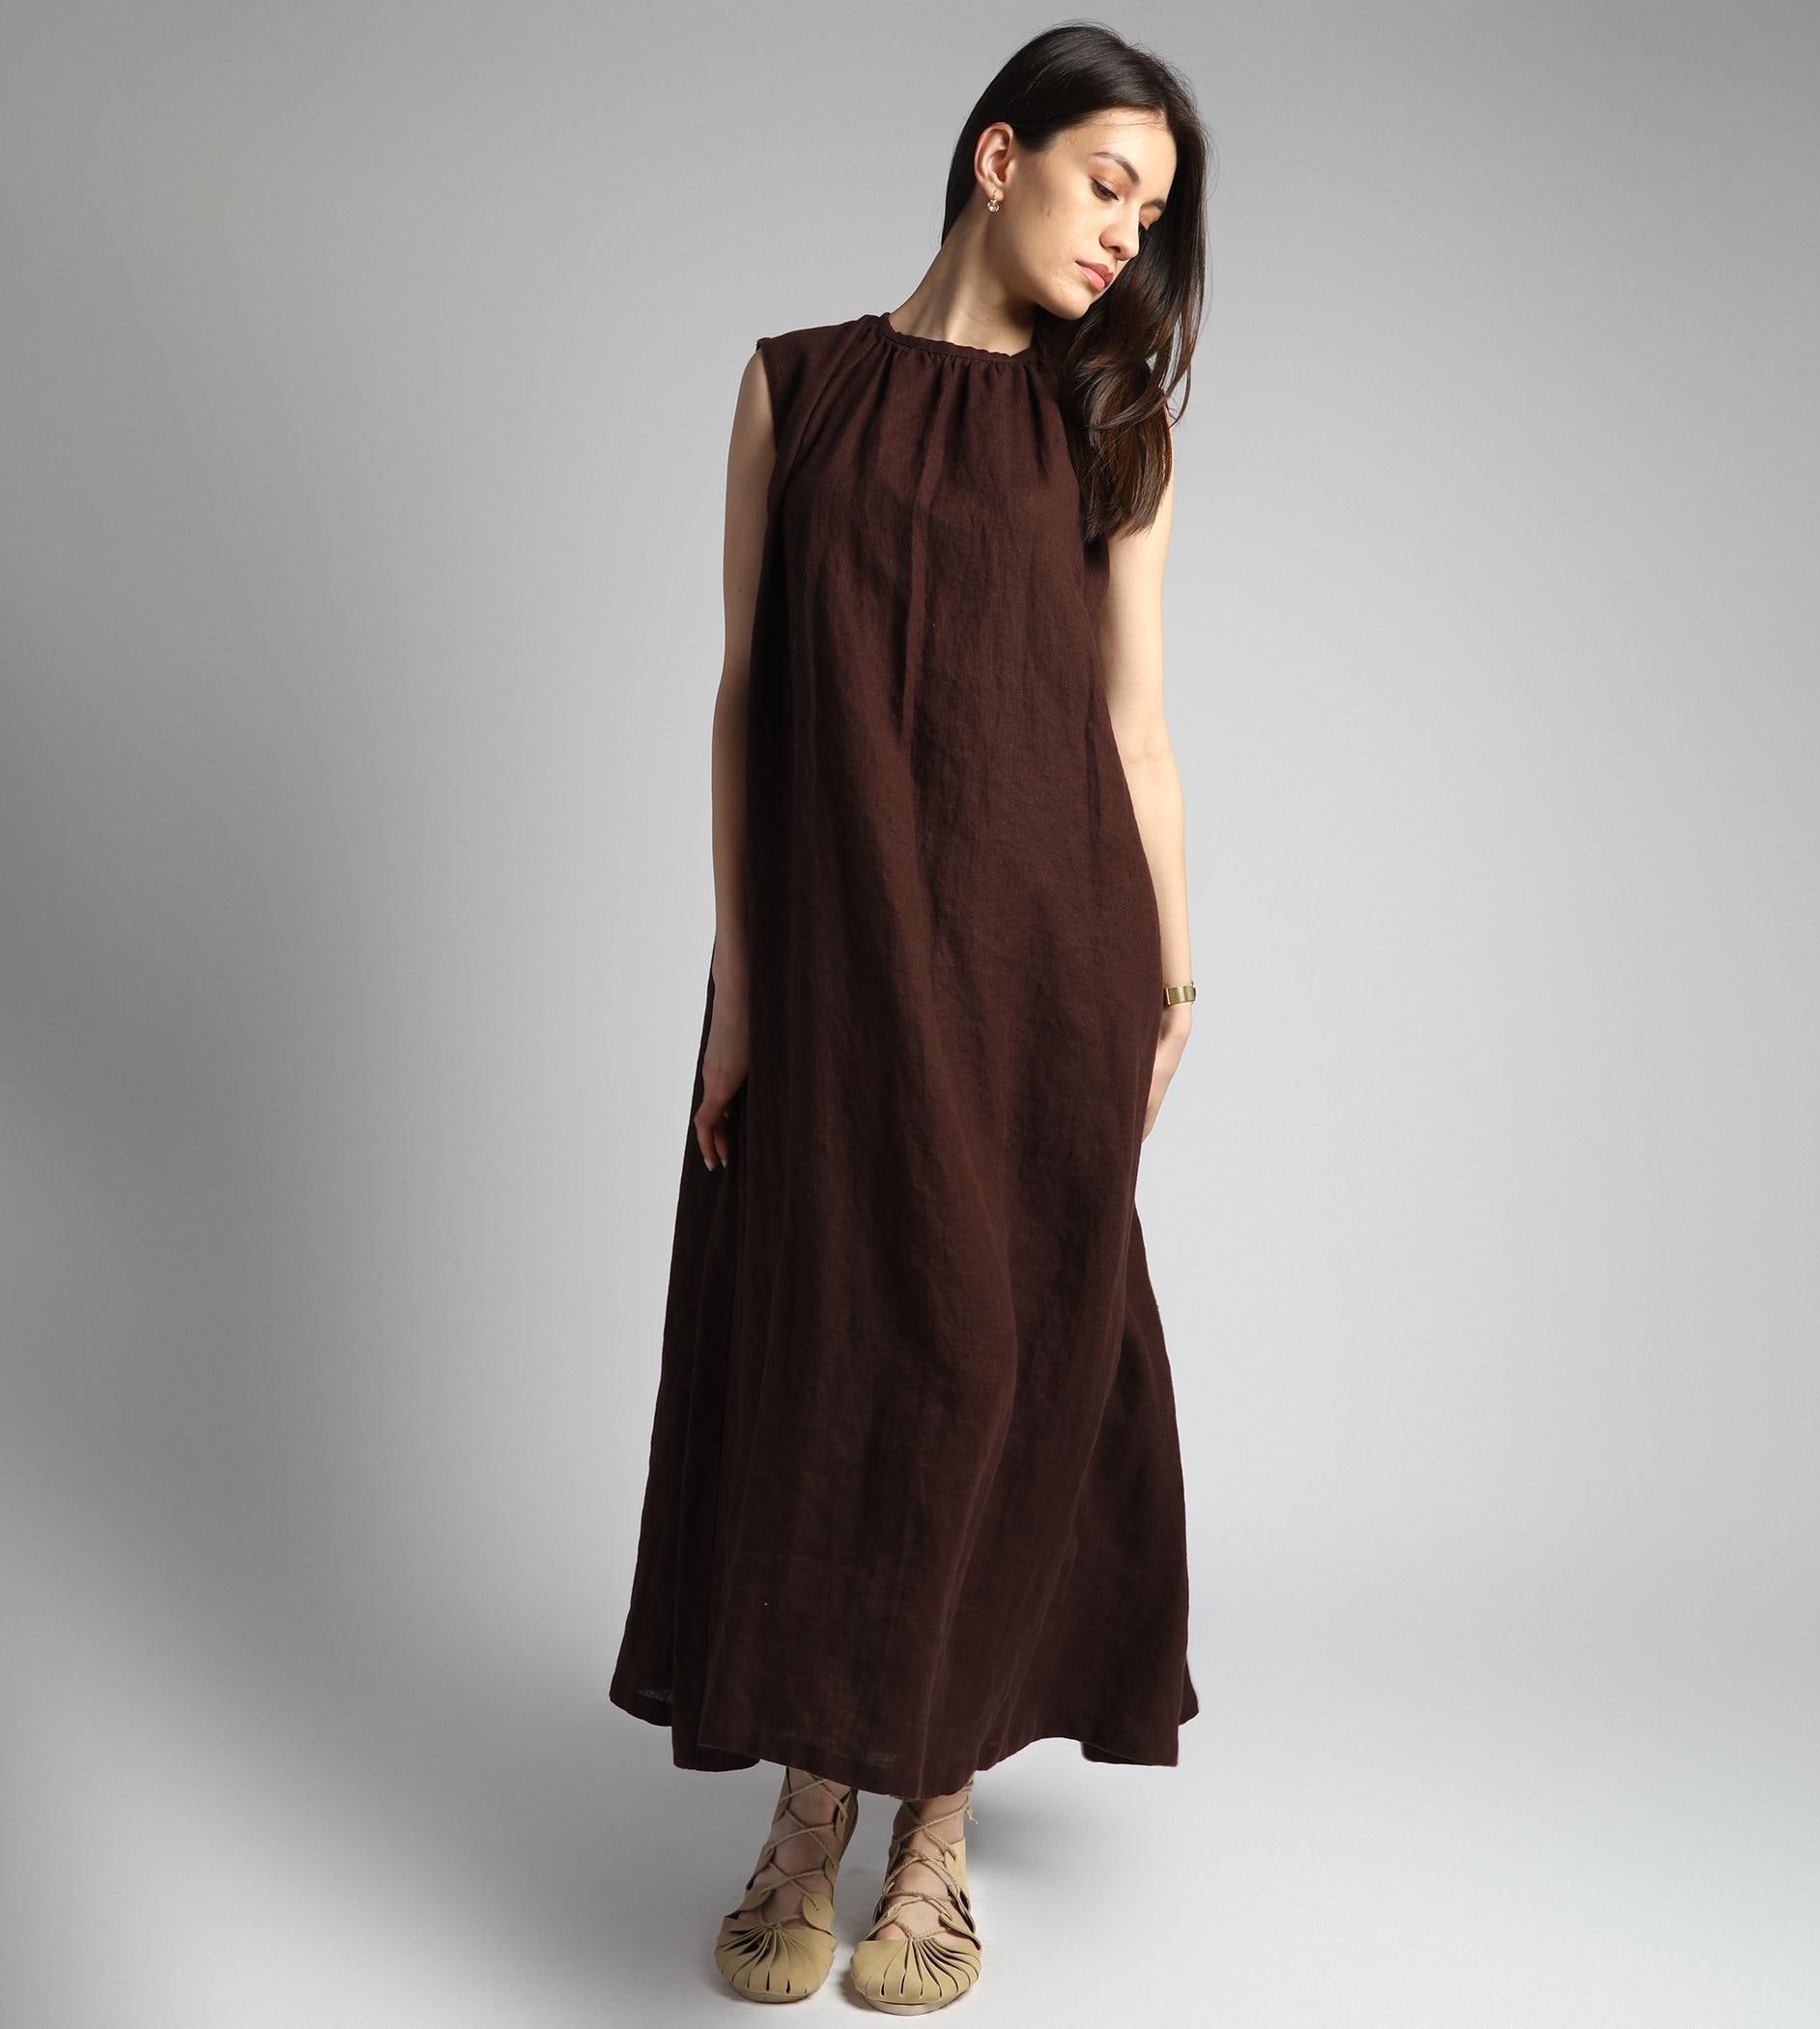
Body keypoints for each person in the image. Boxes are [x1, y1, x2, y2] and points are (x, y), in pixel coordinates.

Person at [609, 23, 1211, 2011]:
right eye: (1109, 183)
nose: (1128, 236)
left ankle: (929, 1835)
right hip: (838, 953)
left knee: (986, 1355)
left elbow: (1134, 727)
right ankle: (809, 1808)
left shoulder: (1110, 424)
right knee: (834, 1345)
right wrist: (742, 985)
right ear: (997, 155)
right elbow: (744, 692)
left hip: (1046, 966)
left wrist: (1172, 974)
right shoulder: (798, 387)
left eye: (1155, 213)